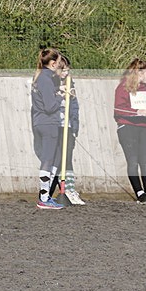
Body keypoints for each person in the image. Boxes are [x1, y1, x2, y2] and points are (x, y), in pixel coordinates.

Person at [114, 58, 146, 204]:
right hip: (127, 127)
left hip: (144, 127)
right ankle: (139, 192)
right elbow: (118, 110)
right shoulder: (123, 87)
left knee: (145, 162)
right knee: (132, 161)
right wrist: (136, 112)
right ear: (139, 73)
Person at [31, 48, 65, 209]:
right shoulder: (45, 79)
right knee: (48, 160)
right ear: (52, 63)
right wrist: (60, 96)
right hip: (48, 122)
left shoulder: (40, 77)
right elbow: (50, 106)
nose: (59, 66)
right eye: (58, 64)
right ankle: (44, 198)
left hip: (41, 121)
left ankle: (46, 196)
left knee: (55, 158)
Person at [50, 56, 86, 205]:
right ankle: (47, 192)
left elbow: (75, 106)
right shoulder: (50, 84)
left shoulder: (70, 84)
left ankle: (70, 190)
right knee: (56, 160)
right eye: (63, 70)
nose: (65, 73)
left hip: (68, 126)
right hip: (54, 126)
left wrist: (75, 125)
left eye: (67, 70)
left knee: (67, 158)